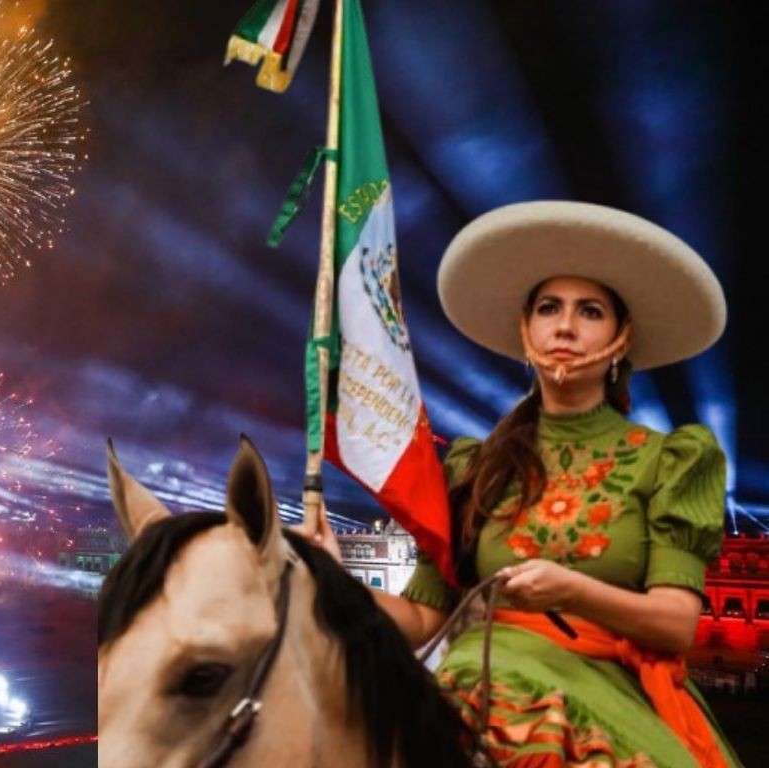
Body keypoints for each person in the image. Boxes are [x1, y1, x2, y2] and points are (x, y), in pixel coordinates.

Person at [309, 201, 741, 766]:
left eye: (590, 311)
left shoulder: (671, 461)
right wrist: (331, 576)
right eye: (548, 308)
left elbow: (678, 625)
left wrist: (573, 590)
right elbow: (421, 622)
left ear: (622, 335)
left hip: (602, 691)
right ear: (526, 327)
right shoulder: (471, 468)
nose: (565, 325)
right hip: (475, 679)